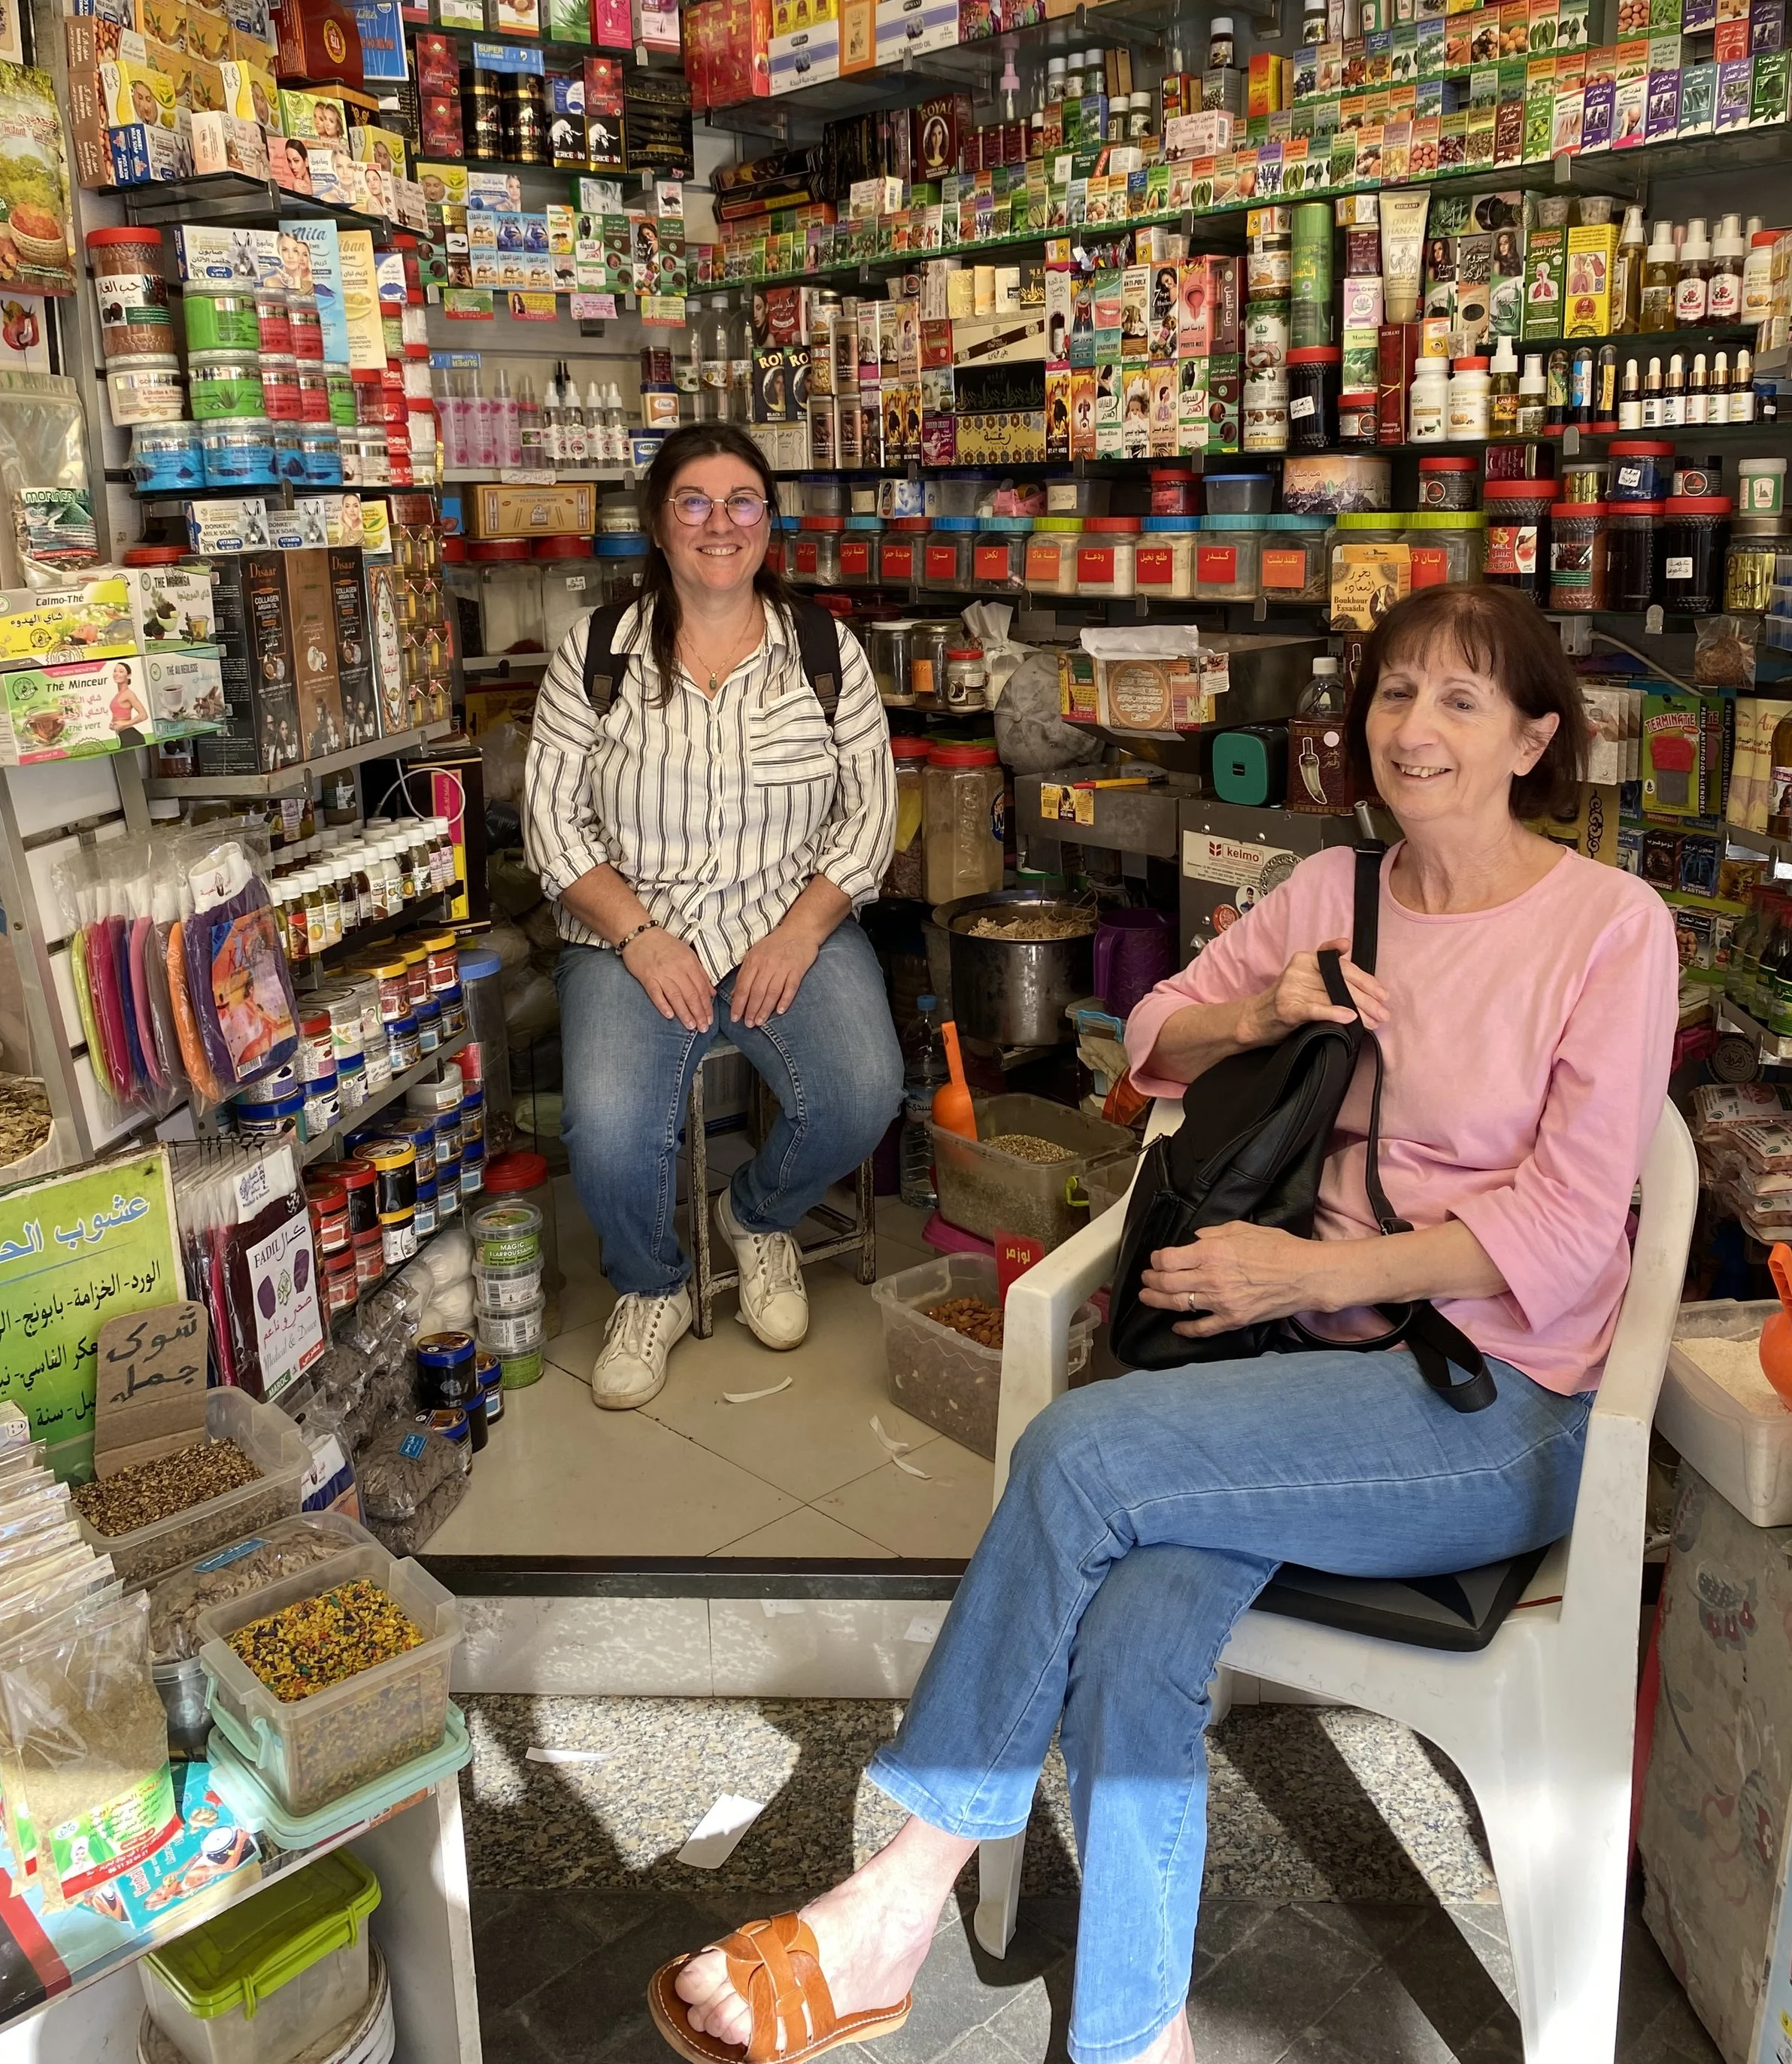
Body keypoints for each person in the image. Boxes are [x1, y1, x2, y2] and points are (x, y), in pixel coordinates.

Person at [650, 583, 1678, 2064]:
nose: (1414, 727)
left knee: (1077, 1453)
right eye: (1395, 692)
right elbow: (1149, 1037)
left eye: (1461, 699)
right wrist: (1259, 1012)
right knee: (1134, 1626)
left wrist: (1299, 1275)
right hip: (1286, 1381)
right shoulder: (1337, 891)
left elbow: (1573, 1235)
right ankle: (1139, 2035)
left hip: (1490, 1406)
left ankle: (897, 1898)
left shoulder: (1608, 929)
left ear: (1531, 739)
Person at [525, 423, 902, 1410]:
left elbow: (869, 819)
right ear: (660, 524)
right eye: (694, 502)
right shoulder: (596, 652)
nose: (719, 523)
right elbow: (552, 827)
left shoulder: (824, 652)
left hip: (790, 922)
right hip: (630, 936)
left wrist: (802, 931)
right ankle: (652, 1282)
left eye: (742, 502)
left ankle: (757, 1216)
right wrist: (639, 935)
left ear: (768, 524)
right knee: (608, 1126)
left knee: (864, 1093)